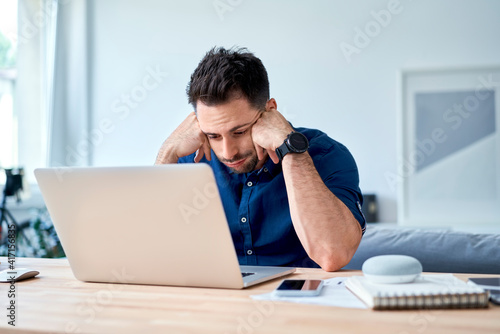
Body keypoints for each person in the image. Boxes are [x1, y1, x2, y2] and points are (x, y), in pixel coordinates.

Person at [155, 47, 366, 271]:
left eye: (239, 132)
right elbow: (150, 254)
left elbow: (332, 255)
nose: (228, 152)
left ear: (270, 111)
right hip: (215, 298)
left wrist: (291, 149)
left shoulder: (326, 155)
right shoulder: (190, 160)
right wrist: (167, 153)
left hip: (295, 300)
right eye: (213, 135)